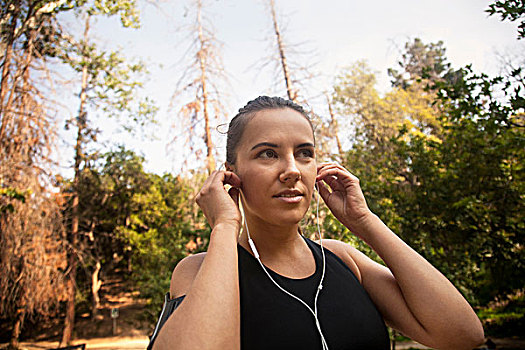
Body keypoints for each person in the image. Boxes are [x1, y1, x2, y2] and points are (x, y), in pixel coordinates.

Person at [148, 96, 485, 350]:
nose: (292, 169)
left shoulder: (343, 260)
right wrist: (223, 226)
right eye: (268, 153)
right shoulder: (199, 271)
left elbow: (462, 334)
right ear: (230, 174)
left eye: (305, 153)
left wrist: (365, 221)